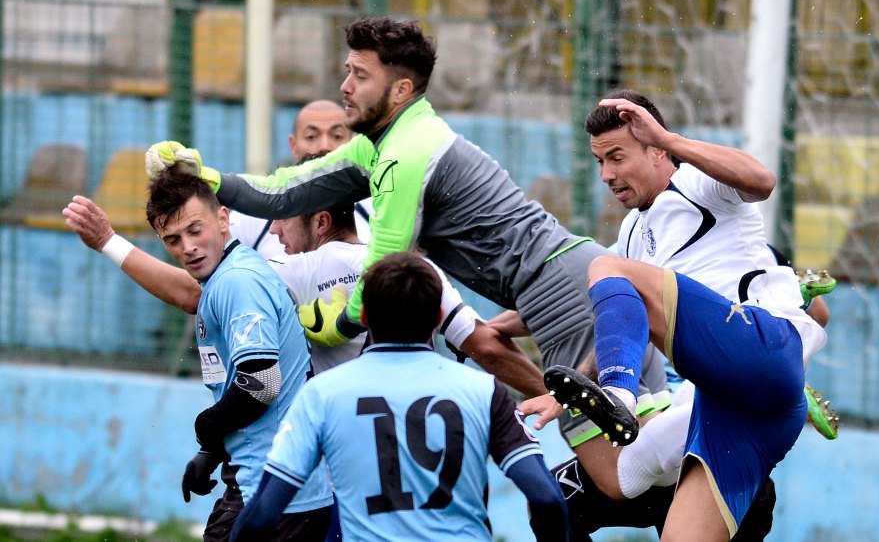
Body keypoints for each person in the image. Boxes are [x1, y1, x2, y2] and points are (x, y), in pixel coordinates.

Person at [144, 15, 672, 450]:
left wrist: (339, 325)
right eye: (346, 71)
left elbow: (384, 267)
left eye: (359, 76)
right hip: (567, 285)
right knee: (633, 457)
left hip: (565, 297)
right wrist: (204, 174)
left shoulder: (406, 154)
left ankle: (721, 451)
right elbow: (287, 192)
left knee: (617, 468)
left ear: (399, 89)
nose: (345, 87)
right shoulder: (382, 142)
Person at [529, 91, 827, 540]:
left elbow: (762, 180)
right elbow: (624, 321)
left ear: (655, 149)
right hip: (738, 411)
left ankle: (620, 396)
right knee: (627, 474)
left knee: (604, 268)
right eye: (599, 162)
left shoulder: (696, 183)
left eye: (616, 157)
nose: (607, 175)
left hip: (764, 346)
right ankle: (616, 395)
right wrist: (569, 389)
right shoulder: (631, 234)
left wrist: (671, 137)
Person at [63, 191, 548, 398]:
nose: (273, 228)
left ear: (319, 221)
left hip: (342, 454)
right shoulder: (413, 268)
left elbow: (194, 292)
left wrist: (108, 241)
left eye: (283, 216)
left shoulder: (291, 271)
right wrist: (556, 398)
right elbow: (483, 345)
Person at [229, 252, 569, 542]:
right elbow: (546, 498)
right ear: (438, 318)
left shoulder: (322, 394)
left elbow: (262, 513)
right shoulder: (484, 390)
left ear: (363, 317)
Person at [143, 168, 332, 541]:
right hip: (285, 486)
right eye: (173, 239)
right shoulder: (228, 276)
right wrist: (212, 452)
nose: (187, 247)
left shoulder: (237, 281)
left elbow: (262, 383)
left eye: (195, 230)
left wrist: (207, 429)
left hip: (271, 486)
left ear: (224, 218)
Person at [229, 98, 370, 259]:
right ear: (293, 145)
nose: (325, 145)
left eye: (337, 136)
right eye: (311, 136)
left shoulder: (374, 206)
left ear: (352, 144)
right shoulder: (255, 213)